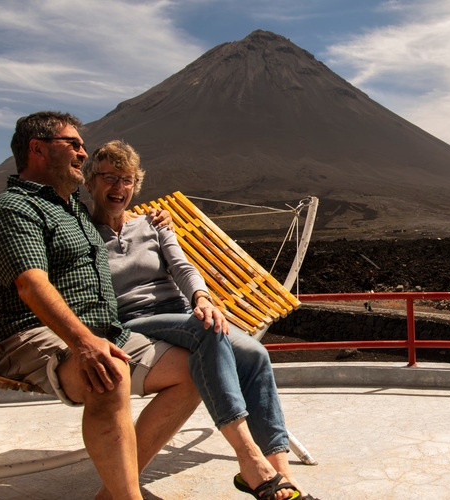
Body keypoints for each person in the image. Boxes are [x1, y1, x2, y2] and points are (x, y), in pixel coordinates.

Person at [0, 111, 302, 500]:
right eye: (74, 144)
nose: (82, 152)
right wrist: (82, 340)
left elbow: (179, 266)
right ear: (38, 149)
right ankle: (217, 472)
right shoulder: (18, 209)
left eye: (126, 179)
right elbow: (29, 282)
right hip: (70, 332)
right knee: (112, 369)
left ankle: (267, 470)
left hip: (114, 329)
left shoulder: (76, 212)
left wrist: (196, 289)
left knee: (212, 364)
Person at [83, 139, 318, 500]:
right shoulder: (78, 232)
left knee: (255, 355)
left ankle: (280, 474)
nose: (119, 188)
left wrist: (202, 297)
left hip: (179, 313)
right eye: (109, 177)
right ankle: (249, 460)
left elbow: (182, 266)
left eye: (127, 179)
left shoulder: (152, 223)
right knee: (204, 330)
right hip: (134, 322)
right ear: (90, 181)